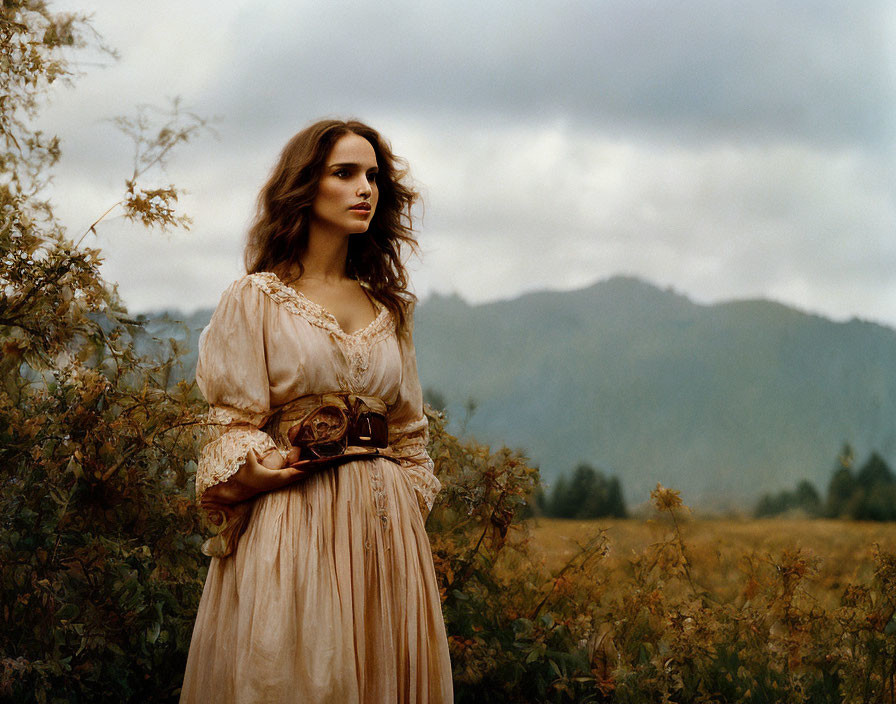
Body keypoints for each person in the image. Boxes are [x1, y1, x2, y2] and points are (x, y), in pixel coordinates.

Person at [179, 119, 453, 703]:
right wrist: (256, 469)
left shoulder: (390, 309)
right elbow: (229, 422)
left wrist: (402, 501)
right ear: (305, 186)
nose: (365, 190)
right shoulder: (254, 299)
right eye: (345, 173)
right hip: (294, 522)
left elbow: (409, 434)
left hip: (386, 541)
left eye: (373, 176)